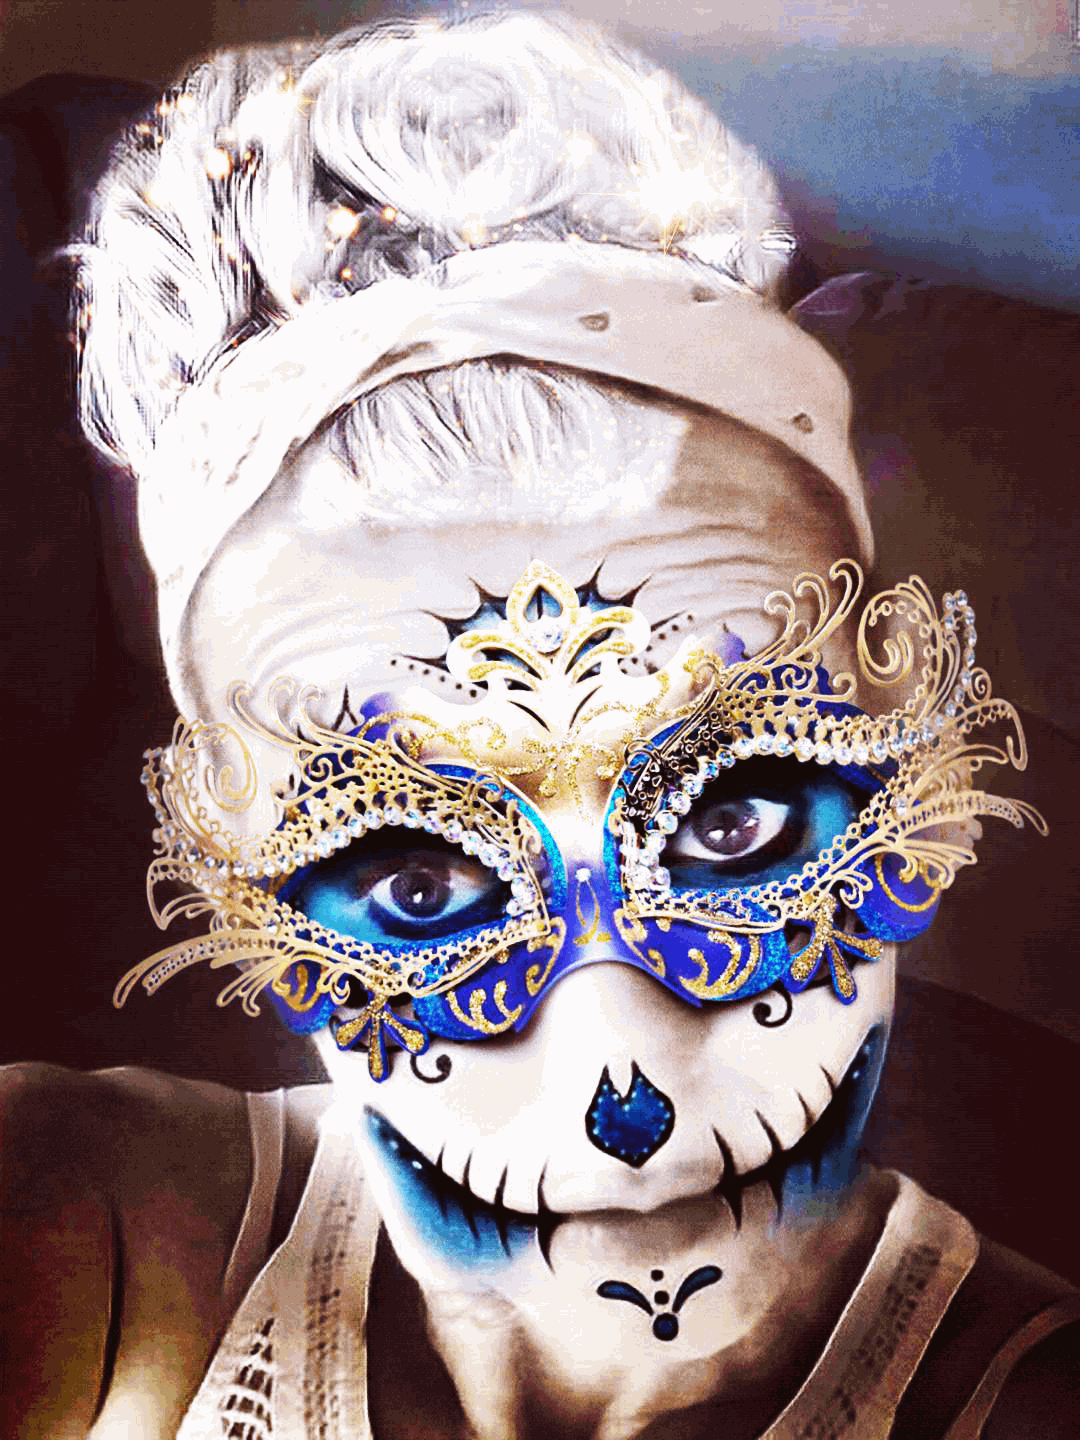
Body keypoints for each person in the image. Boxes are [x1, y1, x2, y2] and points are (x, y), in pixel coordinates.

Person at [2, 13, 1077, 1439]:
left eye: (736, 819)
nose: (623, 1088)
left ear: (911, 784)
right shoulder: (92, 1233)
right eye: (416, 882)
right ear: (235, 875)